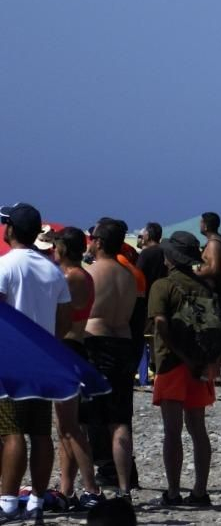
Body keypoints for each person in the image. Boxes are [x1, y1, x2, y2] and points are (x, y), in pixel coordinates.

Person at [0, 202, 73, 521]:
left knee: (11, 432)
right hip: (44, 359)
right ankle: (37, 501)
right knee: (40, 432)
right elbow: (65, 320)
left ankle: (6, 500)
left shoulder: (5, 266)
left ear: (11, 229)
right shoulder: (51, 269)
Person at [146, 230, 216, 508]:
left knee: (172, 431)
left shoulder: (162, 286)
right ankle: (200, 490)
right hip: (197, 365)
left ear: (170, 257)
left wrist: (179, 352)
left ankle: (173, 491)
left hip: (172, 363)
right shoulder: (202, 287)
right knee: (198, 429)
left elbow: (159, 323)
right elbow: (210, 328)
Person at [50, 227, 109, 510]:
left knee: (70, 428)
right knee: (65, 428)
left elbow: (57, 314)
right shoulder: (82, 275)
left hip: (68, 349)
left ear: (62, 249)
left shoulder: (70, 277)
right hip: (75, 348)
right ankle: (67, 489)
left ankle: (92, 489)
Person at [83, 219, 138, 497]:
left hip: (97, 343)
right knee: (120, 419)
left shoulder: (91, 273)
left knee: (90, 417)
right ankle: (125, 486)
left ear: (100, 242)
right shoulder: (129, 275)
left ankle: (92, 481)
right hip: (124, 343)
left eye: (92, 238)